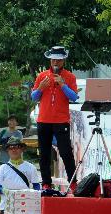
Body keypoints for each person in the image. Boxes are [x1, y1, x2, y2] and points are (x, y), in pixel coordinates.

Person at [32, 46, 78, 191]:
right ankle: (46, 182)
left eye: (58, 60)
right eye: (53, 60)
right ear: (50, 60)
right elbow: (34, 97)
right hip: (43, 120)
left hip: (61, 120)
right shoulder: (42, 76)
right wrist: (40, 87)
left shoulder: (70, 76)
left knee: (66, 152)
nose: (55, 63)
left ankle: (73, 182)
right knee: (44, 153)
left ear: (63, 60)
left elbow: (74, 97)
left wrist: (63, 85)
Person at [0, 137, 41, 210]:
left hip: (25, 207)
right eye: (10, 147)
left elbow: (37, 186)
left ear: (22, 149)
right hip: (5, 207)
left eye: (17, 147)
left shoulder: (31, 167)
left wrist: (33, 196)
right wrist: (4, 191)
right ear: (7, 150)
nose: (14, 150)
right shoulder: (2, 168)